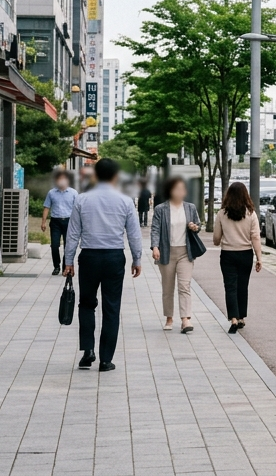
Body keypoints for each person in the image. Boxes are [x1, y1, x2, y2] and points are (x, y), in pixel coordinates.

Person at [63, 158, 142, 372]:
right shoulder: (125, 201)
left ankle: (88, 350)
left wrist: (68, 260)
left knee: (86, 304)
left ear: (95, 175)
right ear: (116, 176)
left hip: (89, 256)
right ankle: (106, 359)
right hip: (114, 257)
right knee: (111, 307)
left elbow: (73, 234)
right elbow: (134, 234)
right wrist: (137, 259)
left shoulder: (82, 199)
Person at [151, 178, 201, 333]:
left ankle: (186, 319)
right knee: (168, 287)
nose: (180, 192)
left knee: (184, 285)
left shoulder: (190, 208)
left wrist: (194, 227)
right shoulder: (161, 209)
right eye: (176, 189)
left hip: (185, 252)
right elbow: (155, 229)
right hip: (167, 251)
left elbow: (198, 225)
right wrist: (155, 246)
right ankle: (169, 317)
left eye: (182, 189)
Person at [213, 181, 262, 333]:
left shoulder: (222, 213)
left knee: (230, 287)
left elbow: (216, 238)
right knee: (242, 286)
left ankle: (233, 318)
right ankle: (241, 317)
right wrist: (259, 257)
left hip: (228, 254)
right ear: (245, 195)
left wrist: (220, 239)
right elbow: (255, 237)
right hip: (245, 254)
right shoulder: (251, 213)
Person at [41, 171, 78, 276]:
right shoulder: (51, 193)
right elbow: (47, 207)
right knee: (54, 245)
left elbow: (78, 209)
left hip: (69, 221)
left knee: (68, 245)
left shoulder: (73, 193)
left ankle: (65, 267)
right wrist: (43, 222)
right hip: (55, 221)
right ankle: (56, 266)